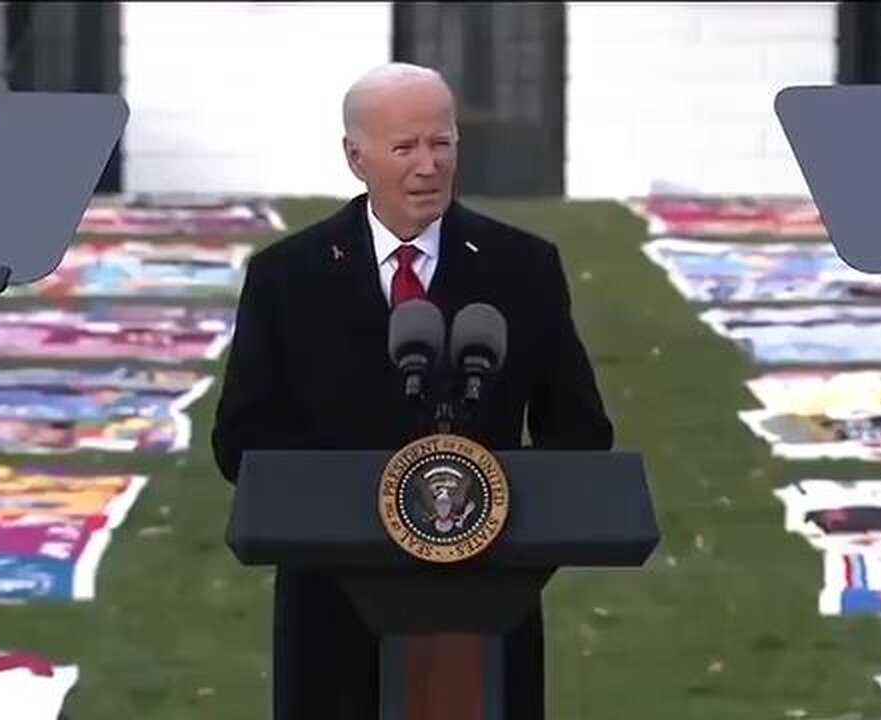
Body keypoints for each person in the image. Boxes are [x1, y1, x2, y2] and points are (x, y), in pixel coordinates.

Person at [211, 62, 612, 720]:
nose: (428, 165)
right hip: (331, 611)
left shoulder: (523, 267)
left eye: (442, 143)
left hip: (489, 606)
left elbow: (580, 430)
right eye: (405, 147)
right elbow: (242, 440)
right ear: (355, 156)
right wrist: (359, 497)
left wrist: (500, 506)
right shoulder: (289, 276)